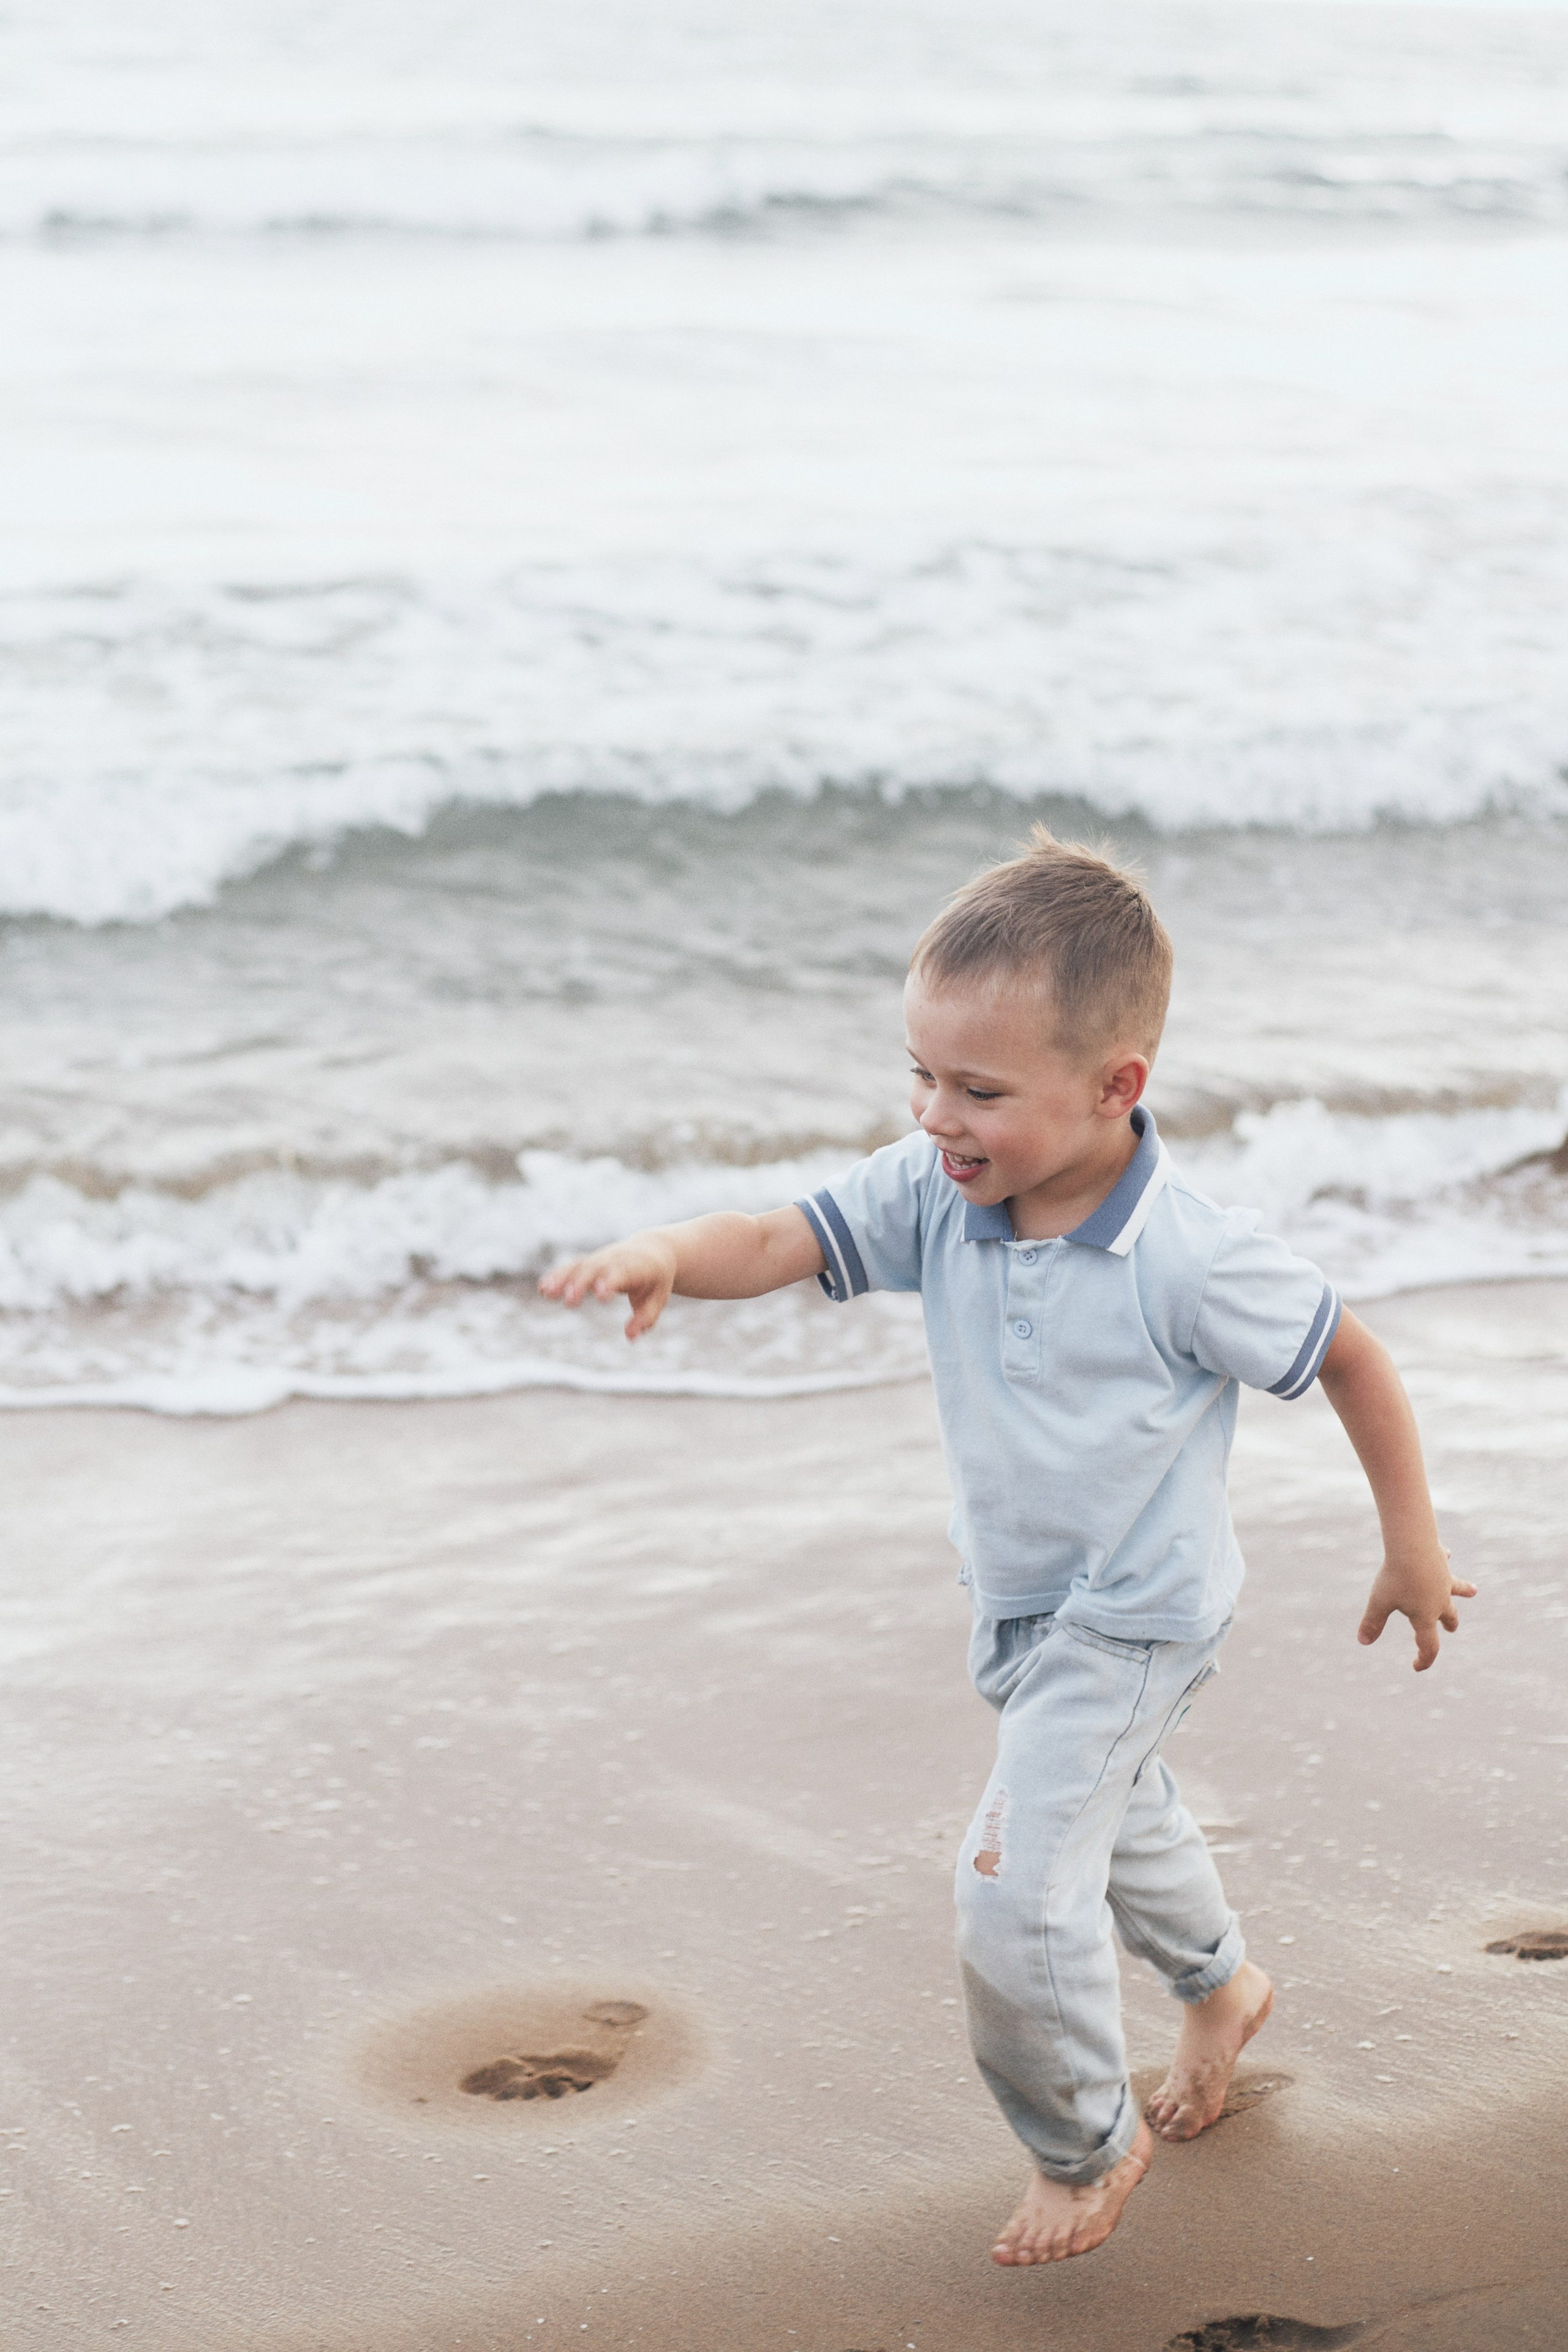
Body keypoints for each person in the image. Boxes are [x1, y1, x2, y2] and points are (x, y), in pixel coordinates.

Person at [538, 827, 1473, 2269]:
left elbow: (1348, 1355)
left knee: (1008, 1884)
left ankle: (1082, 2146)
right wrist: (669, 1250)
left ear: (1116, 1088)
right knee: (1122, 1817)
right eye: (918, 1074)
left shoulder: (1188, 1253)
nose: (935, 1115)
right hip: (1022, 1607)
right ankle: (1220, 1988)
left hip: (1138, 1615)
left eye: (977, 1089)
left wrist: (1408, 1546)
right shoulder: (937, 1195)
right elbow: (775, 1237)